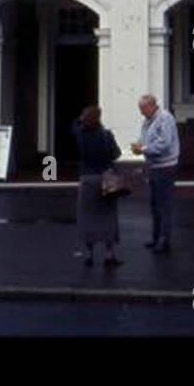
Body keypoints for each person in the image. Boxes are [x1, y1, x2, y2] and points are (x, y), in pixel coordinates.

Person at [72, 105, 122, 267]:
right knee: (108, 216)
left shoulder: (80, 135)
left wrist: (81, 118)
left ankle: (89, 255)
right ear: (99, 118)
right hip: (106, 179)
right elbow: (117, 154)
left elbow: (73, 127)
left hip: (87, 179)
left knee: (88, 218)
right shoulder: (107, 135)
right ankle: (109, 255)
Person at [131, 93, 179, 253]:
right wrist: (140, 145)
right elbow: (147, 139)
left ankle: (164, 240)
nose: (141, 112)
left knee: (164, 205)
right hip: (154, 166)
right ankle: (156, 237)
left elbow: (164, 143)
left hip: (165, 166)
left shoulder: (165, 118)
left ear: (152, 106)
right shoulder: (148, 120)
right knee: (155, 204)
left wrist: (143, 149)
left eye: (143, 108)